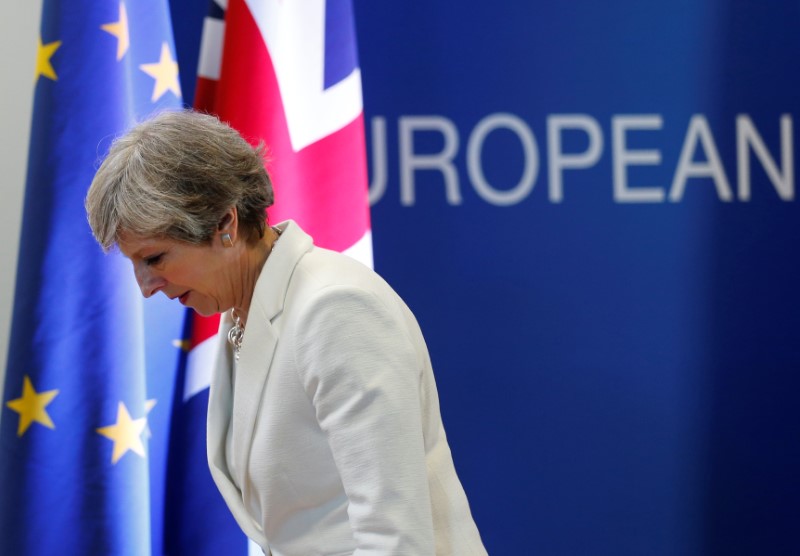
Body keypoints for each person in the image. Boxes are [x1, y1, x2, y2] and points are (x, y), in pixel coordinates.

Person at [85, 110, 487, 555]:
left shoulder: (335, 309)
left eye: (155, 258)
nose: (146, 288)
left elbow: (394, 538)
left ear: (225, 224)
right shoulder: (242, 308)